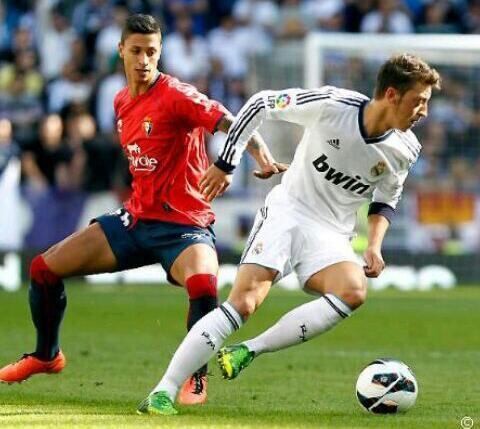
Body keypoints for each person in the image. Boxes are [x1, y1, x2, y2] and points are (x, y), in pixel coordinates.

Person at [0, 14, 285, 406]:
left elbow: (231, 122)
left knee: (203, 285)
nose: (144, 60)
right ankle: (47, 355)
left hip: (185, 226)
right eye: (136, 51)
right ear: (121, 51)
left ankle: (195, 378)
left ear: (160, 52)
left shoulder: (177, 95)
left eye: (152, 51)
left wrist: (254, 155)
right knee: (43, 270)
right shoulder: (120, 101)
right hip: (135, 220)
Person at [135, 54, 441, 415]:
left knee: (354, 291)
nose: (423, 111)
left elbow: (387, 198)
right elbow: (260, 103)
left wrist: (374, 244)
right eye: (418, 101)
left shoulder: (406, 149)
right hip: (288, 212)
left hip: (330, 233)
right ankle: (164, 391)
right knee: (244, 303)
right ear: (392, 94)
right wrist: (225, 162)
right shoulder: (333, 105)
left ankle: (251, 349)